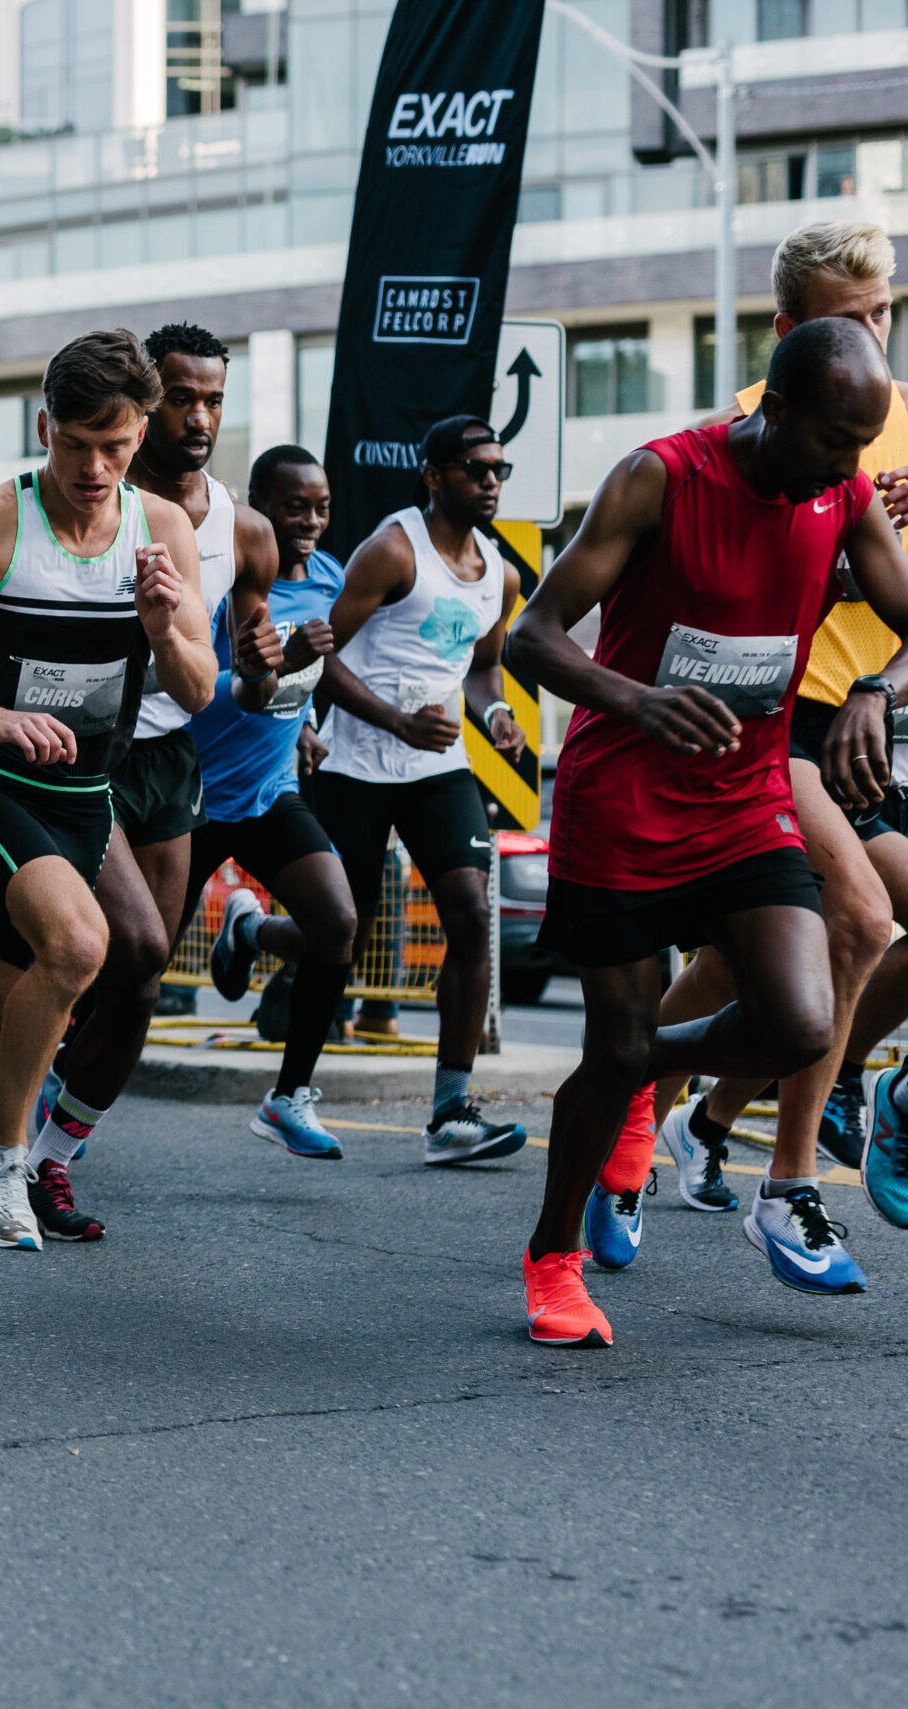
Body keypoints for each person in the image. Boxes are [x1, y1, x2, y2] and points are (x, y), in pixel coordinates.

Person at [509, 317, 908, 1344]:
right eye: (832, 440)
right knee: (610, 1043)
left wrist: (878, 684)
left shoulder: (842, 494)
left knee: (800, 1022)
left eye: (862, 444)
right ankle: (552, 1252)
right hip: (623, 808)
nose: (850, 464)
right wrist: (635, 700)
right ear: (772, 410)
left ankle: (642, 1062)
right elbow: (533, 637)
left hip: (743, 803)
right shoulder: (660, 477)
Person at [0, 328, 212, 1281]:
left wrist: (158, 627)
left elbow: (199, 686)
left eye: (116, 443)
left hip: (82, 792)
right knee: (84, 944)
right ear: (43, 426)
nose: (94, 467)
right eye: (74, 445)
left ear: (143, 430)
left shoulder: (163, 530)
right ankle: (7, 1162)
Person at [621, 222, 908, 1256]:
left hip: (867, 722)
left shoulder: (891, 418)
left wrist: (883, 679)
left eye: (883, 313)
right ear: (789, 336)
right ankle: (773, 1170)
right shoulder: (759, 433)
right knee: (856, 922)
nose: (872, 336)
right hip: (776, 723)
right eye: (848, 318)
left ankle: (737, 1108)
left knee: (797, 957)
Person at [31, 323, 280, 1188]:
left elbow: (237, 686)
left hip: (170, 754)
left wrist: (265, 668)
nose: (200, 415)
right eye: (183, 397)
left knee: (138, 971)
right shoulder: (79, 491)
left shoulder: (242, 530)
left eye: (215, 399)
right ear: (144, 409)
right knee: (90, 950)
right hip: (70, 757)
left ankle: (51, 1148)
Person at [318, 413, 531, 1165]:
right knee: (337, 932)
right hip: (358, 766)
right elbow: (321, 654)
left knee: (473, 915)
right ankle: (251, 932)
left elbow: (480, 667)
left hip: (437, 769)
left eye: (499, 469)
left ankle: (451, 1109)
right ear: (435, 475)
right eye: (476, 468)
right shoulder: (391, 550)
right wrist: (394, 721)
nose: (492, 482)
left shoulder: (500, 574)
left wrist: (498, 712)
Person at [181, 446, 359, 1157]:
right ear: (257, 505)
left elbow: (312, 679)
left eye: (320, 506)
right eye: (294, 507)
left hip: (268, 793)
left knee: (337, 923)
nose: (310, 522)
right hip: (193, 799)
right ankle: (65, 1075)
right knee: (139, 957)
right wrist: (277, 664)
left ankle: (288, 1097)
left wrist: (307, 722)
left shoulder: (330, 577)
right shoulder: (225, 583)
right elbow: (194, 692)